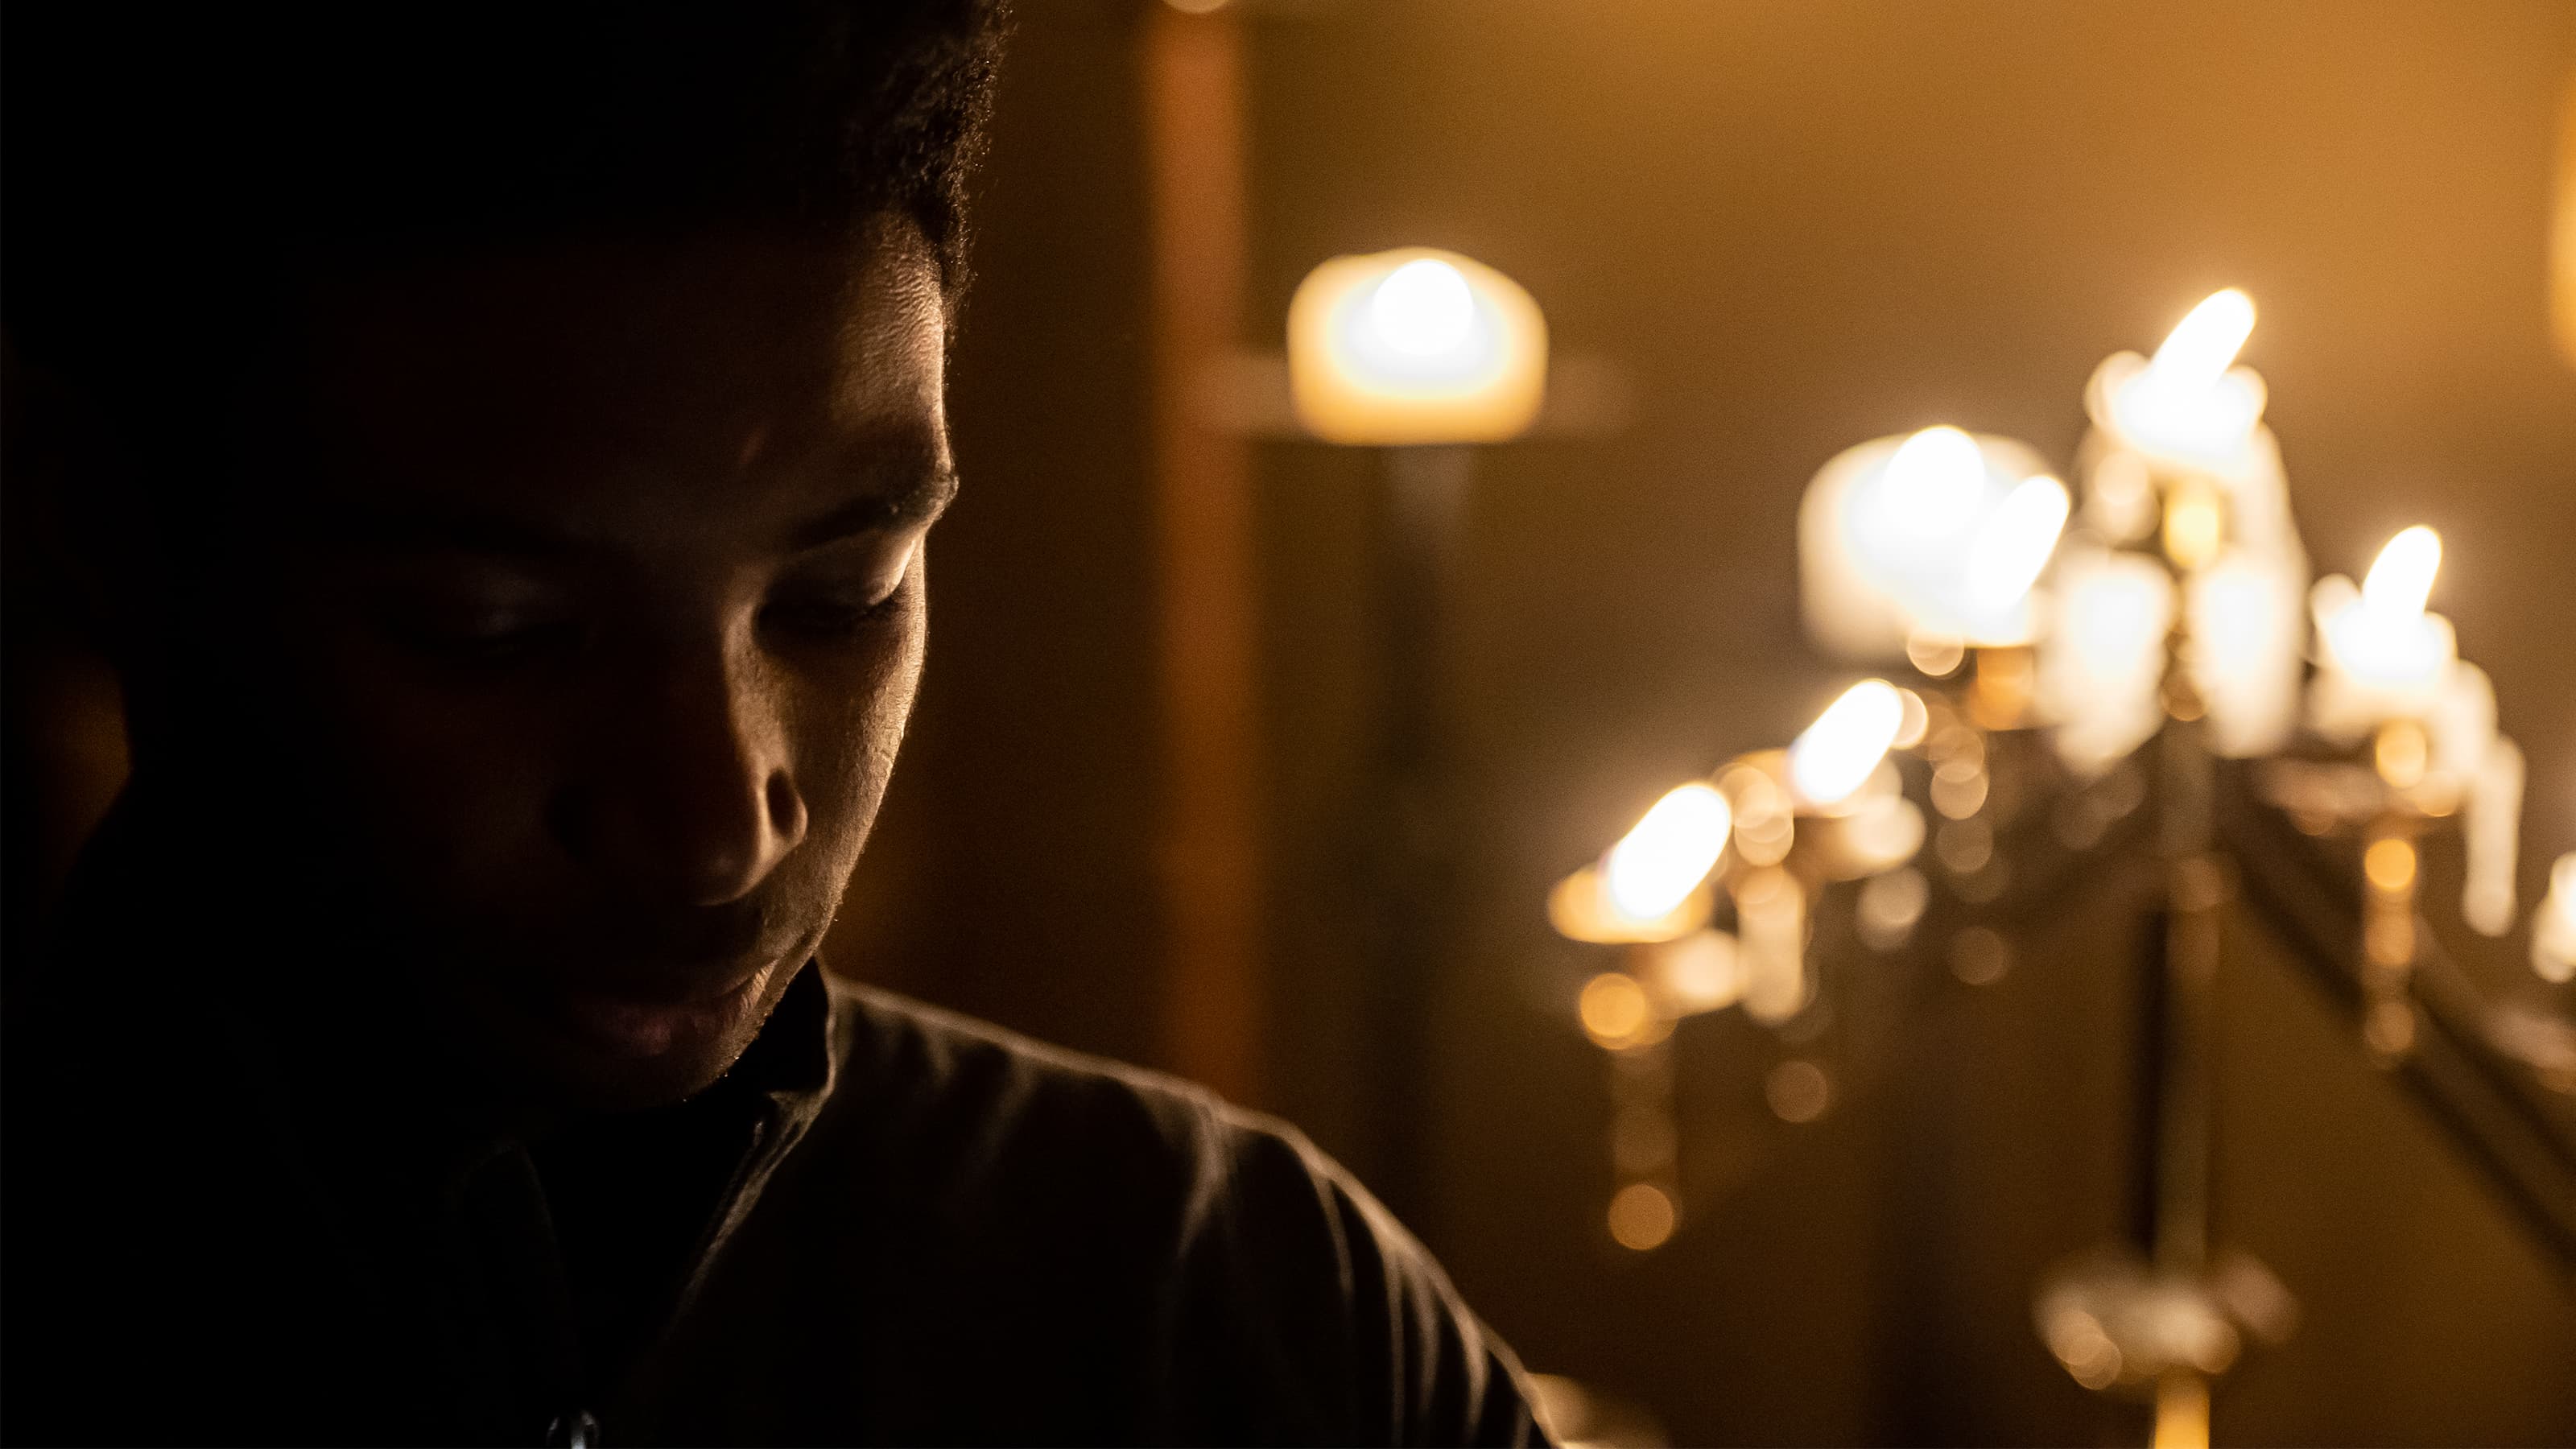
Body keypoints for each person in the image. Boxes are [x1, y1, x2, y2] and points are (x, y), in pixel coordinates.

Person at [0, 4, 1545, 1443]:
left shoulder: (1228, 1305)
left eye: (843, 594)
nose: (719, 822)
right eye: (496, 633)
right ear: (105, 529)